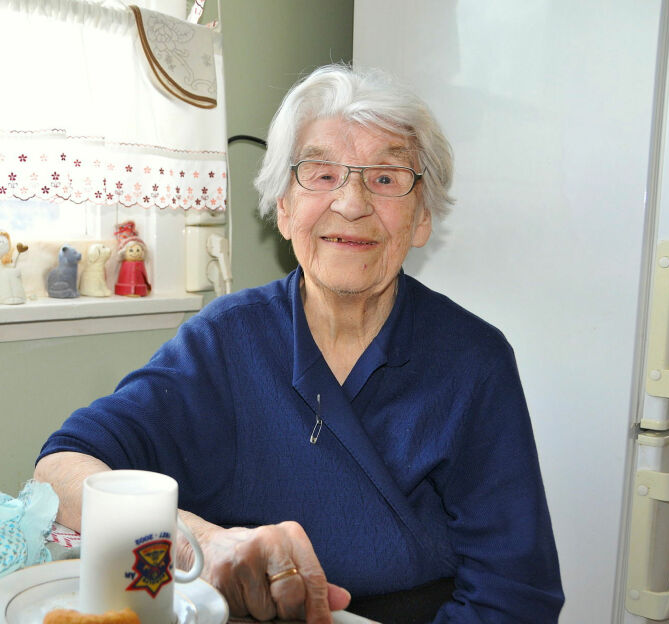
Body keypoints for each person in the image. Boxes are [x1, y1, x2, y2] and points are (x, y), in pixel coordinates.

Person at [35, 63, 564, 623]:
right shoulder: (226, 340)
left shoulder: (473, 362)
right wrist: (203, 542)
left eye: (385, 178)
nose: (352, 203)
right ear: (284, 209)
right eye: (321, 174)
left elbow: (516, 596)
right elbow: (60, 469)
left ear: (421, 219)